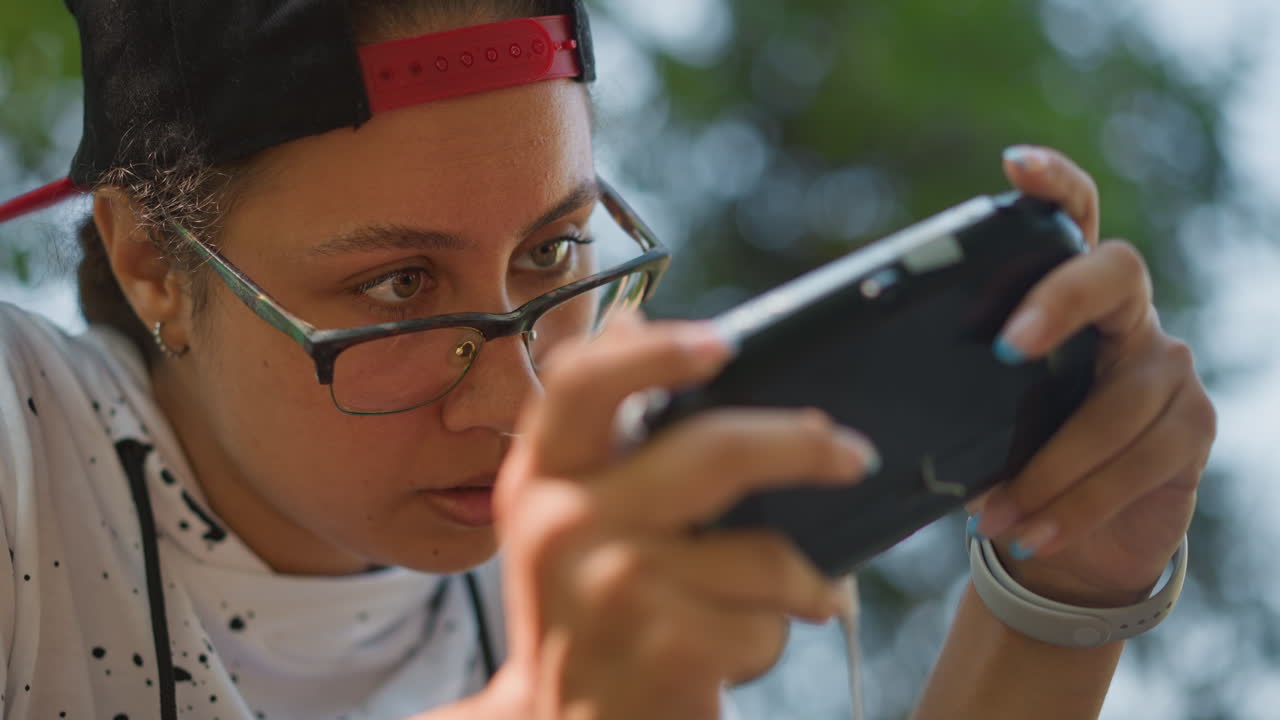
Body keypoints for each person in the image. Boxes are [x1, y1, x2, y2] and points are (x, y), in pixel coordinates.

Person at [0, 1, 1216, 719]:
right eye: (398, 287)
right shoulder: (21, 445)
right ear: (155, 261)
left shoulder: (592, 558)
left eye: (553, 256)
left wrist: (1066, 598)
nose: (518, 401)